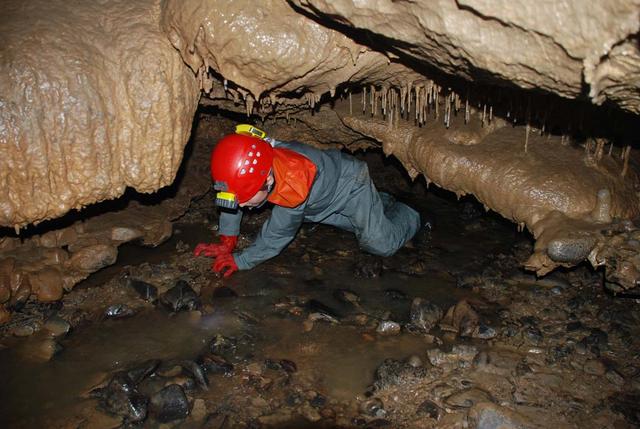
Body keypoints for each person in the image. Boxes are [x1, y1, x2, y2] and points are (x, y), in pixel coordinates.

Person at [194, 125, 421, 277]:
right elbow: (233, 194)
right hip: (319, 199)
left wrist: (241, 260)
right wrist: (227, 239)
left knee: (379, 243)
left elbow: (277, 236)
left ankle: (412, 214)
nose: (241, 206)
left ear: (268, 179)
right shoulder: (255, 154)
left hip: (350, 186)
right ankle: (381, 203)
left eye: (245, 200)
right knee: (354, 226)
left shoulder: (293, 182)